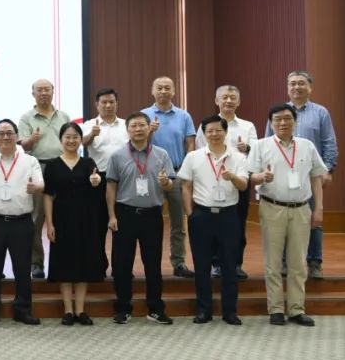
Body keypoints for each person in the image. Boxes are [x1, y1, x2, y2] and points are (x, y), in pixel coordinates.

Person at [250, 103, 327, 326]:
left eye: (287, 118)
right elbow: (250, 175)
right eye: (277, 119)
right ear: (271, 123)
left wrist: (319, 208)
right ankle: (275, 308)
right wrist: (261, 177)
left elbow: (317, 178)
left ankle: (296, 309)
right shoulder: (260, 145)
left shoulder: (307, 146)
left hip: (301, 208)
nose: (283, 123)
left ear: (295, 121)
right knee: (273, 261)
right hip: (272, 207)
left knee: (298, 262)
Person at [265, 71, 338, 280]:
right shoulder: (278, 112)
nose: (296, 87)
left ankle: (314, 262)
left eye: (301, 83)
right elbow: (267, 142)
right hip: (281, 175)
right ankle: (285, 262)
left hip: (311, 176)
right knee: (284, 219)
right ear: (287, 87)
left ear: (310, 87)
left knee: (314, 219)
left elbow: (329, 143)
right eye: (292, 84)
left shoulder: (321, 112)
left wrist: (328, 170)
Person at [178, 115, 249, 325]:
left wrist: (232, 177)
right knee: (201, 265)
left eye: (218, 130)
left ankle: (230, 312)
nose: (214, 134)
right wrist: (189, 213)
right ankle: (203, 310)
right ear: (204, 134)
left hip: (229, 216)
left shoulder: (238, 157)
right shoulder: (193, 157)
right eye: (210, 131)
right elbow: (185, 186)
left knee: (229, 265)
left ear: (225, 132)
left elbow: (244, 186)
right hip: (202, 215)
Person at [107, 111, 175, 325]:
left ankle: (155, 308)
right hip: (124, 213)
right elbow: (111, 186)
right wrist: (111, 215)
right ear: (127, 130)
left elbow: (170, 185)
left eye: (141, 125)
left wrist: (165, 183)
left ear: (149, 128)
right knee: (122, 264)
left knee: (153, 263)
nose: (138, 129)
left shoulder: (161, 154)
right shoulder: (117, 156)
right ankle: (123, 308)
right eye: (133, 126)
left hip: (152, 215)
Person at [0, 119, 43, 326]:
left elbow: (40, 183)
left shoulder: (29, 161)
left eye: (9, 133)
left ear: (17, 136)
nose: (5, 137)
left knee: (22, 268)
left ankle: (23, 310)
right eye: (1, 133)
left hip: (21, 222)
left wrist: (35, 187)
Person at [44, 122, 105, 326]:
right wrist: (49, 223)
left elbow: (96, 186)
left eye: (75, 137)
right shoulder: (53, 165)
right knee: (64, 262)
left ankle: (80, 309)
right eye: (67, 137)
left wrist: (96, 182)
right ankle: (68, 310)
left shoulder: (88, 163)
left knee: (83, 262)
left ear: (81, 140)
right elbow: (48, 196)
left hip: (85, 219)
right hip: (61, 219)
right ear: (61, 140)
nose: (71, 141)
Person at [194, 85, 257, 280]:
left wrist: (247, 148)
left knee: (238, 223)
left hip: (239, 181)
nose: (228, 101)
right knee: (213, 225)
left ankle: (236, 263)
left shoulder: (248, 126)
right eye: (224, 97)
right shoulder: (207, 125)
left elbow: (256, 154)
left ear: (238, 102)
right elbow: (200, 151)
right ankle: (216, 264)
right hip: (211, 182)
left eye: (232, 98)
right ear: (217, 101)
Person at [141, 76, 196, 279]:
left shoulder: (184, 116)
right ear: (152, 91)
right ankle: (151, 264)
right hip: (150, 175)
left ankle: (179, 262)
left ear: (173, 91)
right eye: (159, 88)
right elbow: (138, 145)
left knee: (178, 223)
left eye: (167, 88)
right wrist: (149, 132)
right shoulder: (144, 115)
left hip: (177, 174)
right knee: (150, 223)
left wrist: (189, 171)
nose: (163, 91)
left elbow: (190, 144)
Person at [18, 79, 72, 279]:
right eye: (39, 90)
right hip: (37, 167)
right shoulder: (26, 117)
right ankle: (36, 263)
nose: (43, 93)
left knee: (64, 216)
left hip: (62, 166)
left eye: (46, 89)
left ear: (53, 91)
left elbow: (71, 140)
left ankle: (64, 261)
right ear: (33, 94)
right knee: (36, 218)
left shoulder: (63, 116)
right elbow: (23, 145)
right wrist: (31, 140)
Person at [81, 87, 127, 277]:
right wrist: (92, 134)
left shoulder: (126, 125)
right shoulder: (88, 125)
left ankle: (120, 267)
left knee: (121, 225)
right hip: (98, 179)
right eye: (104, 102)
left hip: (123, 179)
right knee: (97, 224)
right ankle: (98, 265)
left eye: (111, 102)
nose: (108, 105)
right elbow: (80, 143)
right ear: (96, 105)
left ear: (117, 103)